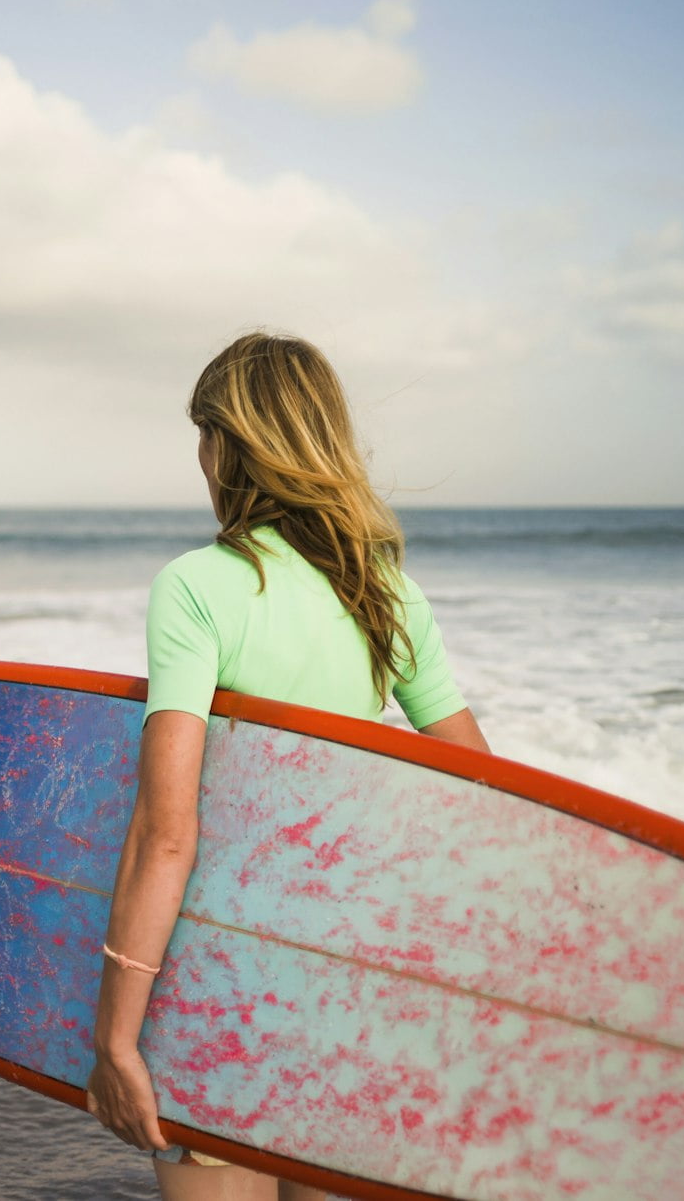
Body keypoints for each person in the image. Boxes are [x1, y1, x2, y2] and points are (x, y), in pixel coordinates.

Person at [84, 332, 489, 1201]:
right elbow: (480, 794)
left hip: (222, 994)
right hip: (352, 992)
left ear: (232, 443)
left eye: (204, 433)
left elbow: (165, 831)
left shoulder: (197, 587)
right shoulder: (386, 591)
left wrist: (115, 1039)